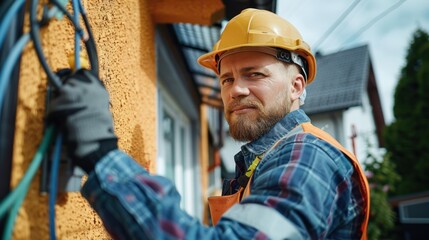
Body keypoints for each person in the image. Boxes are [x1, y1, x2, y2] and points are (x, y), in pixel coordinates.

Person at [49, 8, 370, 239]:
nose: (236, 89)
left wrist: (101, 154)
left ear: (296, 86)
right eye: (227, 78)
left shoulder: (308, 156)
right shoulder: (263, 161)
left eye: (255, 74)